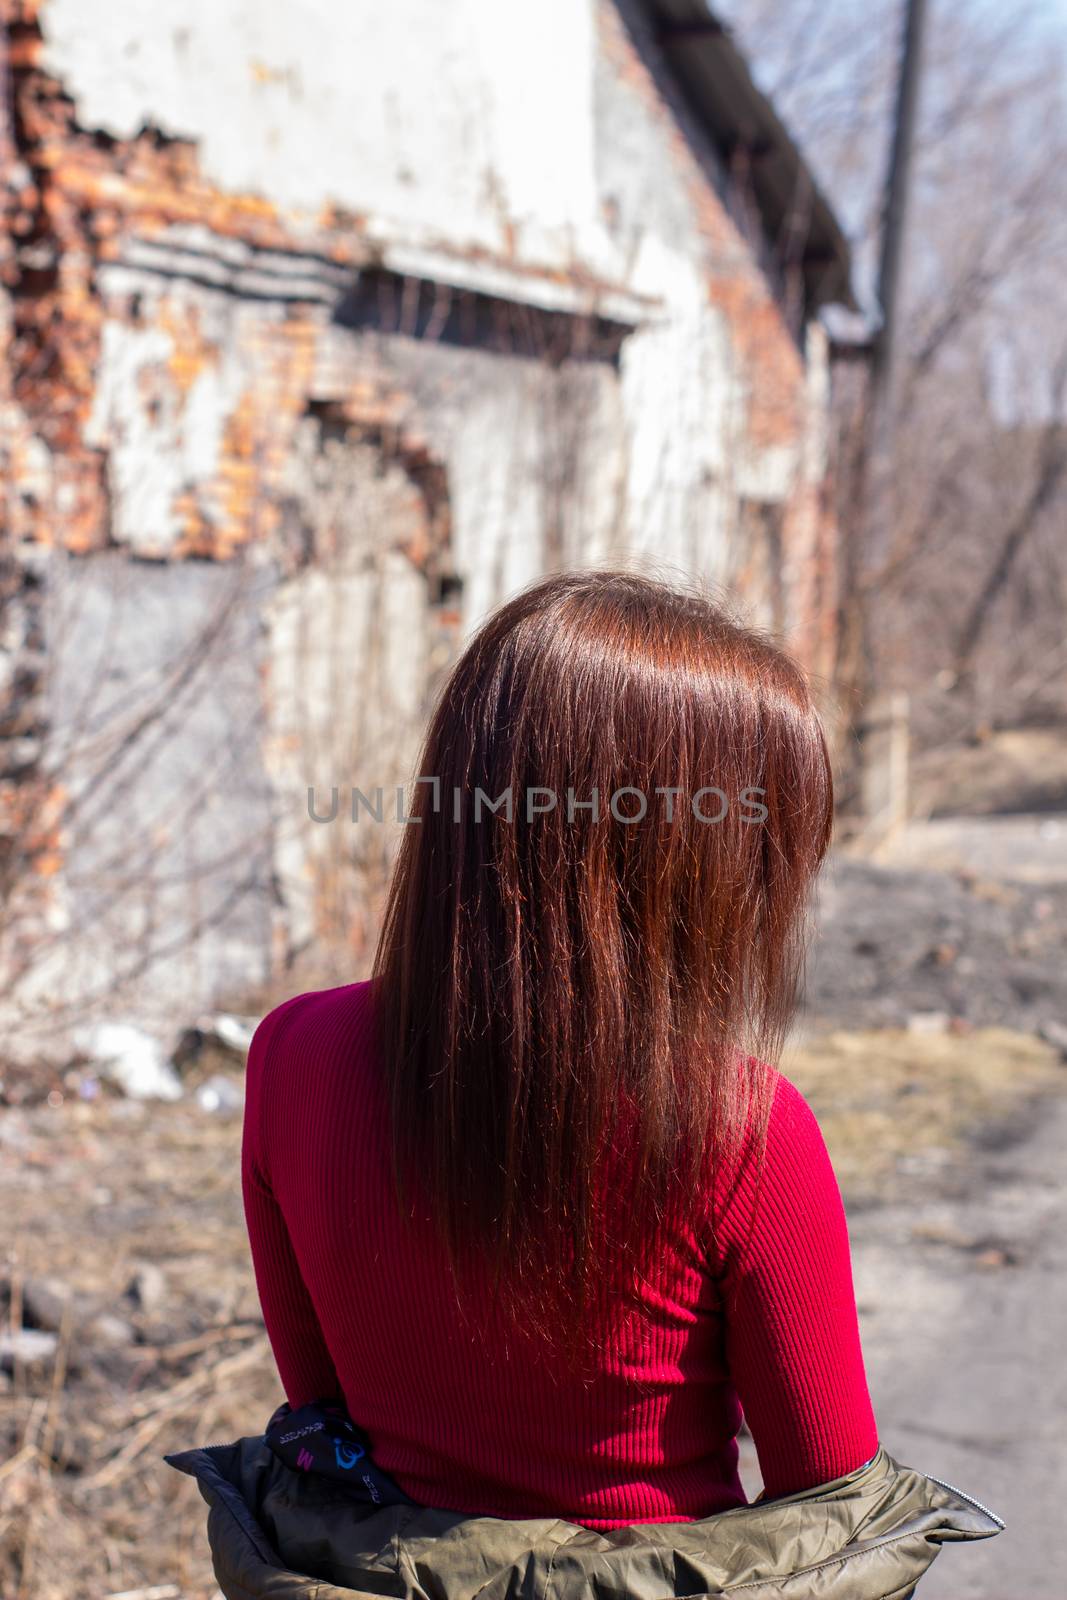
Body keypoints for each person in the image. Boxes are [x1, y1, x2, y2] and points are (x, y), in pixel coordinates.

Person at [241, 568, 880, 1527]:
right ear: (685, 860)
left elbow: (324, 1419)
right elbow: (833, 1521)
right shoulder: (743, 1133)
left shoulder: (292, 1055)